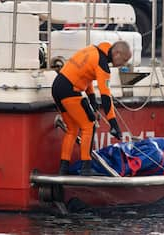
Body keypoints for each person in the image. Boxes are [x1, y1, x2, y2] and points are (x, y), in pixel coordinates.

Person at [52, 40, 132, 176]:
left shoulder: (93, 51)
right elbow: (106, 96)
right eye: (124, 60)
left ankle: (63, 168)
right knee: (89, 125)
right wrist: (113, 124)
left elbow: (85, 77)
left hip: (57, 87)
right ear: (117, 53)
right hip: (69, 90)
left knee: (72, 129)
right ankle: (86, 167)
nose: (124, 64)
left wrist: (92, 102)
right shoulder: (103, 65)